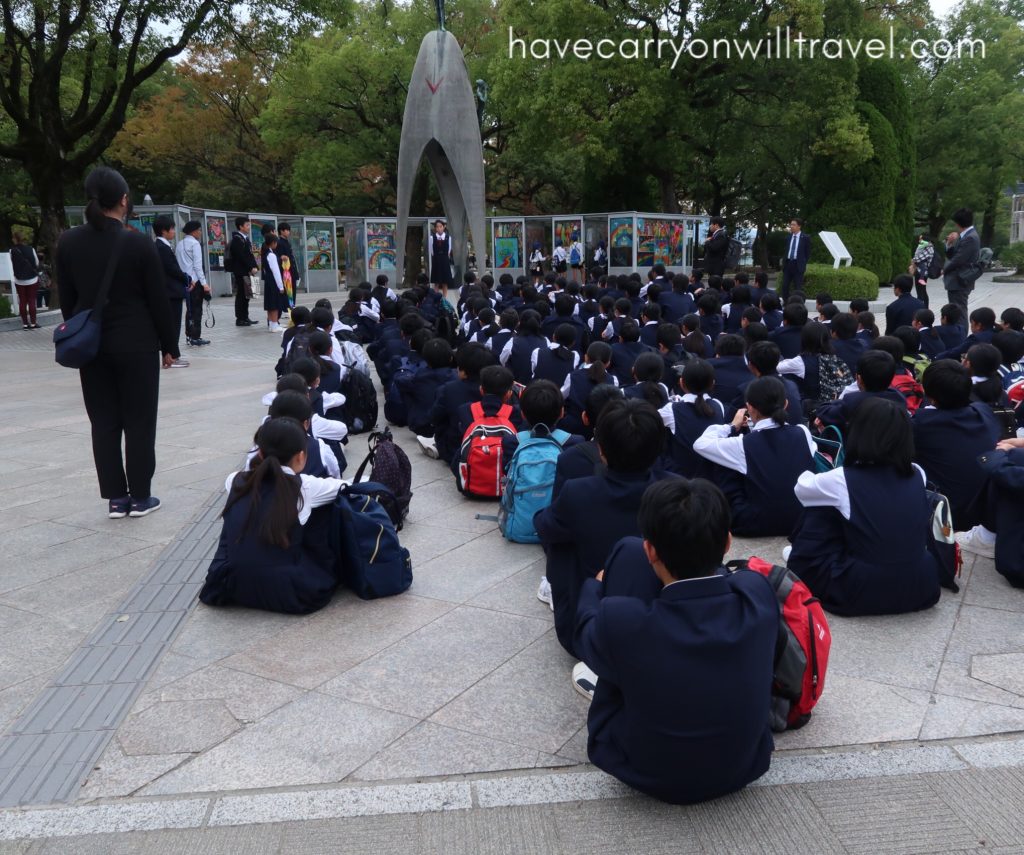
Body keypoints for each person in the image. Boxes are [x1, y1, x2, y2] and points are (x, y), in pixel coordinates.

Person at [574, 478, 777, 805]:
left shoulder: (623, 620)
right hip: (742, 766)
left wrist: (595, 586)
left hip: (646, 771)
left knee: (625, 559)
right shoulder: (758, 596)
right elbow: (735, 578)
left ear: (650, 549)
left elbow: (583, 630)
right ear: (727, 542)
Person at [55, 166, 179, 519]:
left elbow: (69, 300)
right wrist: (169, 346)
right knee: (139, 420)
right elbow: (158, 300)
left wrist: (80, 329)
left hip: (92, 346)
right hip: (137, 343)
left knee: (104, 421)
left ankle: (115, 497)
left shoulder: (68, 242)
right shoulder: (137, 242)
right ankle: (140, 496)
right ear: (124, 200)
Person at [535, 398, 670, 659]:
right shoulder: (675, 489)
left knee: (559, 536)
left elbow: (544, 527)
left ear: (601, 451)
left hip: (591, 624)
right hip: (659, 618)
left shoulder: (579, 492)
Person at [787, 398, 941, 615]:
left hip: (861, 589)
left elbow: (801, 489)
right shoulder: (917, 473)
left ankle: (803, 559)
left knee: (821, 506)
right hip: (922, 584)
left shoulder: (842, 479)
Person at [199, 418, 344, 615]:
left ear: (259, 452)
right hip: (291, 590)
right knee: (327, 507)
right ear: (301, 457)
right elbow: (345, 488)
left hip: (232, 584)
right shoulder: (305, 486)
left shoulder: (234, 480)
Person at [694, 376, 815, 537]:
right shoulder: (803, 431)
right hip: (801, 518)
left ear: (749, 408)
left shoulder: (743, 444)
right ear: (786, 404)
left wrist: (732, 426)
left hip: (754, 523)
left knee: (721, 460)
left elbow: (700, 444)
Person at [912, 359, 1001, 530]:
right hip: (986, 507)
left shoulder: (920, 425)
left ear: (930, 397)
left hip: (949, 515)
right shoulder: (983, 412)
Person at [660, 359, 726, 476]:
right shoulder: (718, 405)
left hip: (680, 478)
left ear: (681, 382)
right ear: (712, 384)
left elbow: (650, 419)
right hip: (712, 479)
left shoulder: (672, 409)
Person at [153, 215, 190, 368]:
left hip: (169, 292)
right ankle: (172, 357)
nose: (174, 232)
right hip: (170, 293)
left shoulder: (161, 246)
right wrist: (187, 279)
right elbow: (172, 269)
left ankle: (170, 356)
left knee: (171, 325)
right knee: (172, 326)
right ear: (164, 231)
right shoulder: (162, 248)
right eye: (172, 229)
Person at [174, 220, 211, 347]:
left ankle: (189, 335)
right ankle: (195, 337)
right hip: (195, 282)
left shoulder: (179, 244)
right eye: (199, 230)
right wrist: (204, 283)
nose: (200, 232)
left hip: (185, 282)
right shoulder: (195, 244)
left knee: (189, 310)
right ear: (194, 231)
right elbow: (197, 266)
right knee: (197, 310)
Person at [942, 208, 981, 316]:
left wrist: (943, 270)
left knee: (959, 312)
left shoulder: (970, 238)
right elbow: (953, 255)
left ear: (958, 223)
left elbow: (958, 259)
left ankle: (960, 332)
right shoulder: (966, 235)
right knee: (957, 310)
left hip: (960, 280)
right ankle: (958, 331)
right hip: (958, 280)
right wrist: (949, 243)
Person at [227, 216, 258, 326]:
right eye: (247, 225)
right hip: (241, 271)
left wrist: (255, 266)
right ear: (240, 227)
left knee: (247, 295)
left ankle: (245, 317)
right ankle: (240, 318)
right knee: (241, 295)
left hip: (247, 271)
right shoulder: (237, 239)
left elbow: (250, 255)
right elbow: (241, 256)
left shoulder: (245, 238)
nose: (249, 227)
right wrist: (250, 267)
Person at [10, 231, 41, 329]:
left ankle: (24, 324)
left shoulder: (12, 251)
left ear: (15, 239)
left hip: (19, 279)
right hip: (32, 278)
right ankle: (33, 323)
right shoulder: (31, 249)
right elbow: (36, 262)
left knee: (22, 300)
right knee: (32, 300)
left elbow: (11, 264)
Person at [261, 232, 289, 332]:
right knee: (275, 304)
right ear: (273, 243)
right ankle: (274, 325)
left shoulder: (265, 253)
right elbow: (276, 271)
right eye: (276, 243)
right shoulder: (271, 255)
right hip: (273, 280)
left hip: (268, 280)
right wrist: (281, 286)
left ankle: (272, 324)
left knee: (270, 303)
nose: (276, 245)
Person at [780, 217, 811, 300]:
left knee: (798, 287)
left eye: (793, 225)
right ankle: (786, 302)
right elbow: (786, 251)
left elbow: (807, 253)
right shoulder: (788, 237)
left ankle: (798, 303)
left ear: (799, 226)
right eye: (791, 225)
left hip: (798, 265)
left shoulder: (805, 237)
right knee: (785, 285)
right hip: (788, 264)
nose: (791, 226)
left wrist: (803, 262)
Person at [429, 220, 454, 298]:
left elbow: (449, 250)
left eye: (440, 226)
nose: (439, 228)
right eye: (437, 227)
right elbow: (431, 250)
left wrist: (444, 256)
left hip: (445, 260)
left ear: (444, 227)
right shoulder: (432, 237)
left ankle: (444, 299)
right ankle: (435, 298)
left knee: (445, 282)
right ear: (435, 228)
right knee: (436, 281)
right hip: (436, 260)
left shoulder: (448, 237)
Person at [911, 233, 935, 307]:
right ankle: (924, 308)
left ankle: (922, 309)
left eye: (921, 238)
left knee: (921, 292)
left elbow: (918, 258)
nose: (920, 240)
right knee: (921, 291)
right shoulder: (925, 247)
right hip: (919, 271)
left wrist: (913, 260)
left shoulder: (929, 248)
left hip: (922, 273)